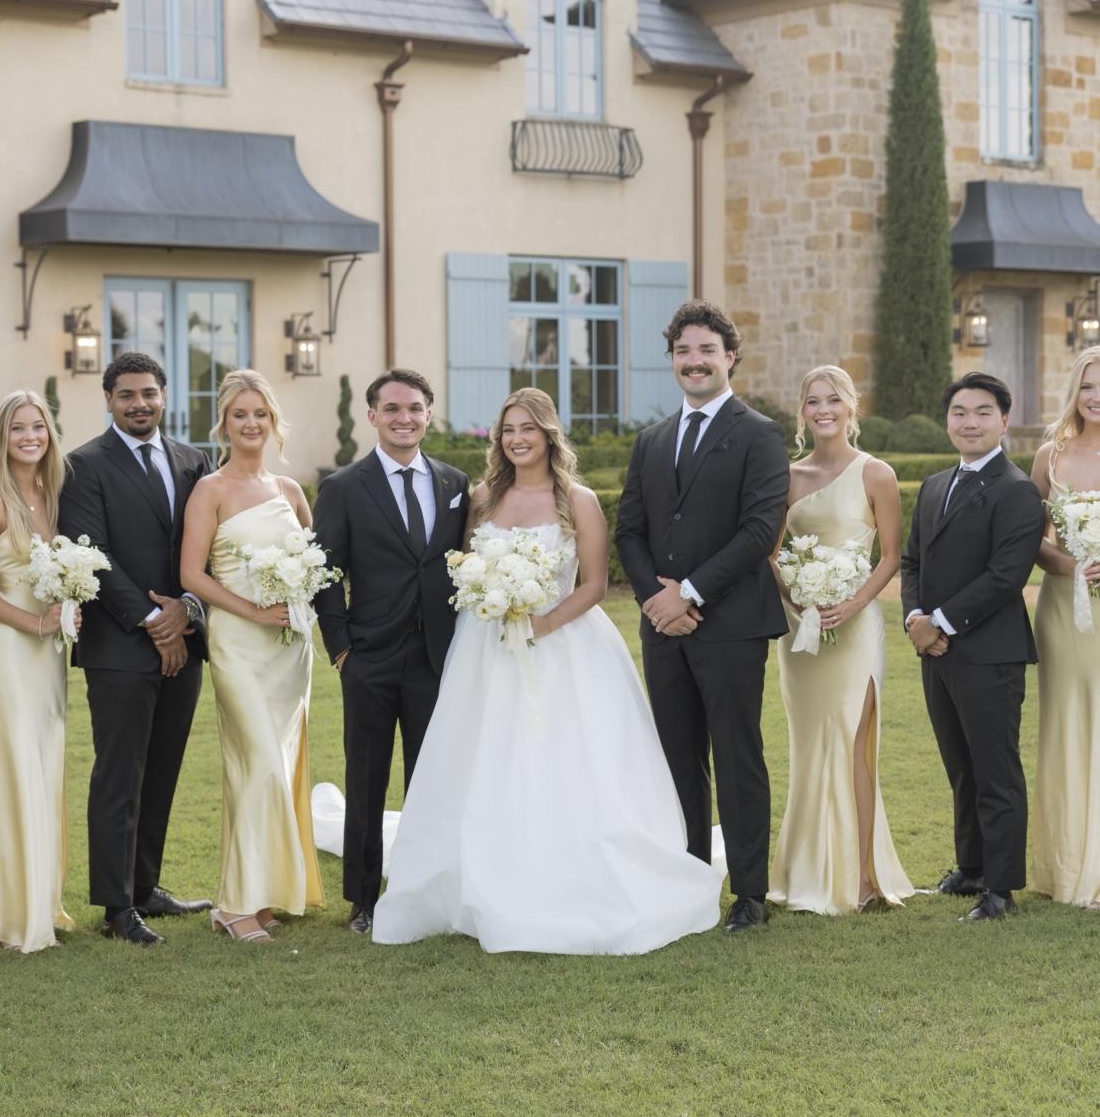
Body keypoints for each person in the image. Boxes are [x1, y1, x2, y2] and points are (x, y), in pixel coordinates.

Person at [373, 388, 721, 953]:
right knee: (486, 755)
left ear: (549, 434)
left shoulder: (577, 500)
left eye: (528, 429)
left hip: (564, 644)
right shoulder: (483, 497)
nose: (517, 439)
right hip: (487, 646)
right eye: (508, 429)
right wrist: (491, 599)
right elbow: (465, 568)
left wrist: (543, 624)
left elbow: (594, 584)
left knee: (564, 757)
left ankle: (569, 867)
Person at [615, 301, 790, 934]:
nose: (695, 362)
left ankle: (749, 894)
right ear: (672, 360)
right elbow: (629, 529)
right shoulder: (652, 439)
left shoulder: (761, 434)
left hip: (732, 624)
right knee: (677, 757)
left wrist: (688, 593)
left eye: (706, 351)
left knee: (738, 757)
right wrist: (654, 600)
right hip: (662, 628)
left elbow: (760, 530)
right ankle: (687, 881)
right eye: (684, 351)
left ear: (730, 358)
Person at [58, 352, 212, 946]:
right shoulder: (83, 466)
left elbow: (207, 546)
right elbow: (92, 552)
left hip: (185, 637)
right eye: (126, 395)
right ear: (108, 400)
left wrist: (184, 612)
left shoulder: (194, 460)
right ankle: (116, 906)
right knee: (119, 774)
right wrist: (153, 621)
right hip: (120, 644)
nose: (139, 404)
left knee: (164, 768)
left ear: (164, 396)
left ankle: (146, 885)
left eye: (148, 393)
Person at [312, 369, 470, 934]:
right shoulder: (343, 487)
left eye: (416, 408)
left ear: (429, 414)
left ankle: (427, 890)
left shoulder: (455, 484)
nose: (405, 418)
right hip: (369, 657)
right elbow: (324, 573)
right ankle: (363, 900)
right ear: (373, 416)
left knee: (432, 780)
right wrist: (341, 650)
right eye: (393, 408)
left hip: (437, 657)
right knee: (367, 780)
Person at [180, 370, 325, 943]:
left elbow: (315, 561)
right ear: (223, 423)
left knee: (279, 768)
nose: (251, 424)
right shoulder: (210, 490)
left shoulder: (290, 491)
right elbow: (192, 574)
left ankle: (259, 897)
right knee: (257, 765)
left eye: (260, 414)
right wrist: (252, 610)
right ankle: (235, 904)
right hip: (238, 645)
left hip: (289, 651)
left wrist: (299, 598)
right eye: (240, 415)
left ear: (273, 422)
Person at [768, 366, 912, 915]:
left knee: (853, 742)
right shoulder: (787, 477)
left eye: (833, 400)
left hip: (856, 628)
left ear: (851, 407)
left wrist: (852, 604)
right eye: (813, 401)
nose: (823, 410)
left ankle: (862, 879)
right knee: (809, 745)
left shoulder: (876, 473)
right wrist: (796, 600)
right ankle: (804, 871)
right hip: (800, 630)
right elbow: (770, 553)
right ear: (802, 411)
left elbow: (891, 556)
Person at [901, 371, 1044, 922]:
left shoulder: (1016, 490)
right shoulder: (935, 485)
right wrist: (915, 618)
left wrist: (939, 622)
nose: (970, 422)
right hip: (936, 651)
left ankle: (1001, 889)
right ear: (948, 421)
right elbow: (913, 561)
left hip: (990, 653)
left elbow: (1006, 577)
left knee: (995, 771)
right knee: (960, 766)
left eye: (983, 412)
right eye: (960, 412)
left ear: (1004, 421)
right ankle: (972, 866)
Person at [0, 390, 76, 951]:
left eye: (38, 427)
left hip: (50, 657)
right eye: (17, 428)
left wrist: (68, 609)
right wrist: (34, 624)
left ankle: (40, 904)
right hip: (8, 654)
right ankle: (10, 919)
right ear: (1, 438)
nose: (30, 437)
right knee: (13, 775)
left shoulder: (54, 497)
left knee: (45, 771)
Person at [1029, 344, 1100, 909]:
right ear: (1075, 390)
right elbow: (1030, 540)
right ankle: (1070, 865)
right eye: (1088, 385)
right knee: (1066, 726)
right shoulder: (1048, 456)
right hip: (1062, 610)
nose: (1096, 397)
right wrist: (1072, 566)